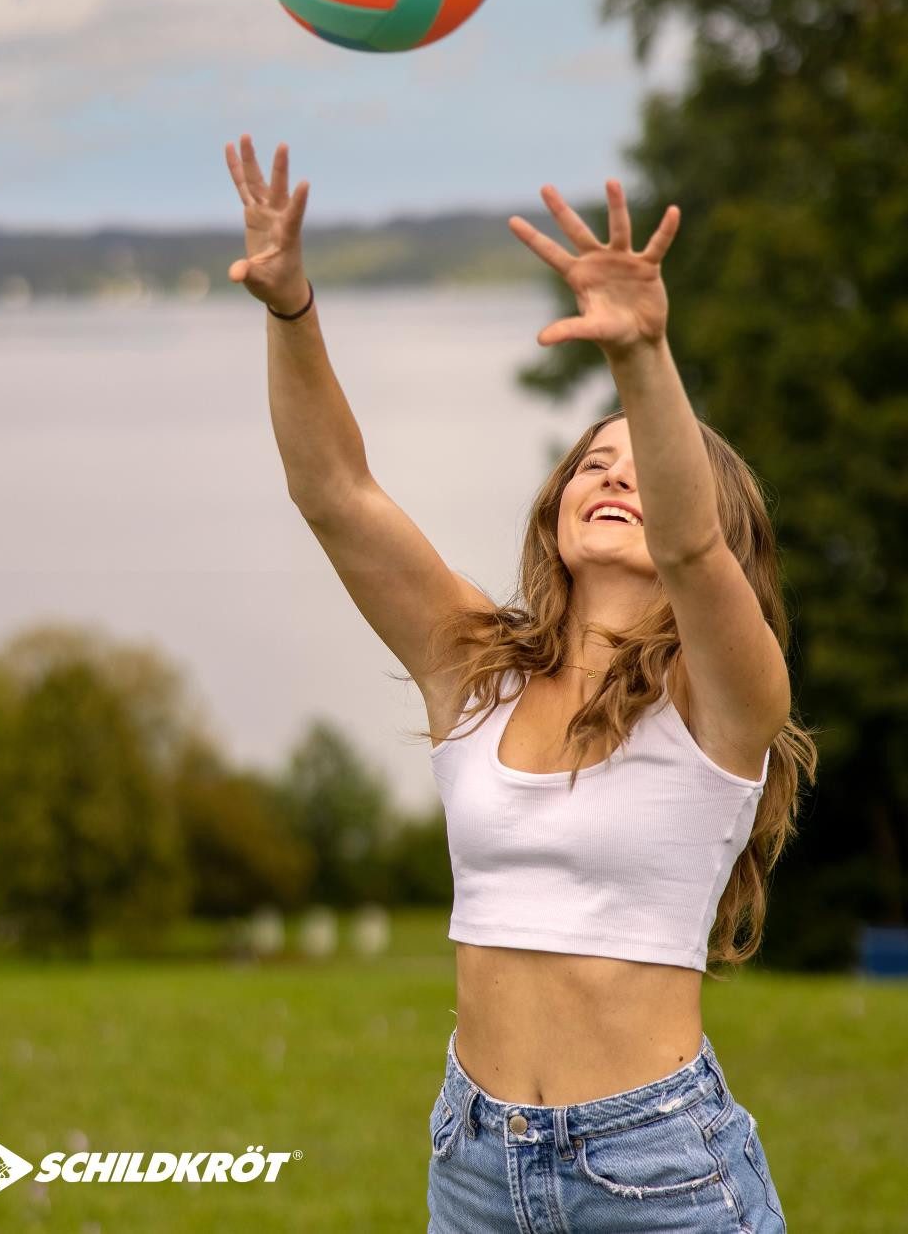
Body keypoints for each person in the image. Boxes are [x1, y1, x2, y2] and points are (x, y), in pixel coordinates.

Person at [225, 133, 814, 1232]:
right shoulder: (476, 674)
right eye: (591, 461)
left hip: (657, 1171)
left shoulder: (725, 705)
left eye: (641, 466)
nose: (609, 474)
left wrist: (640, 357)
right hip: (475, 1159)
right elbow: (336, 494)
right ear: (554, 505)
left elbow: (691, 557)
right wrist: (290, 311)